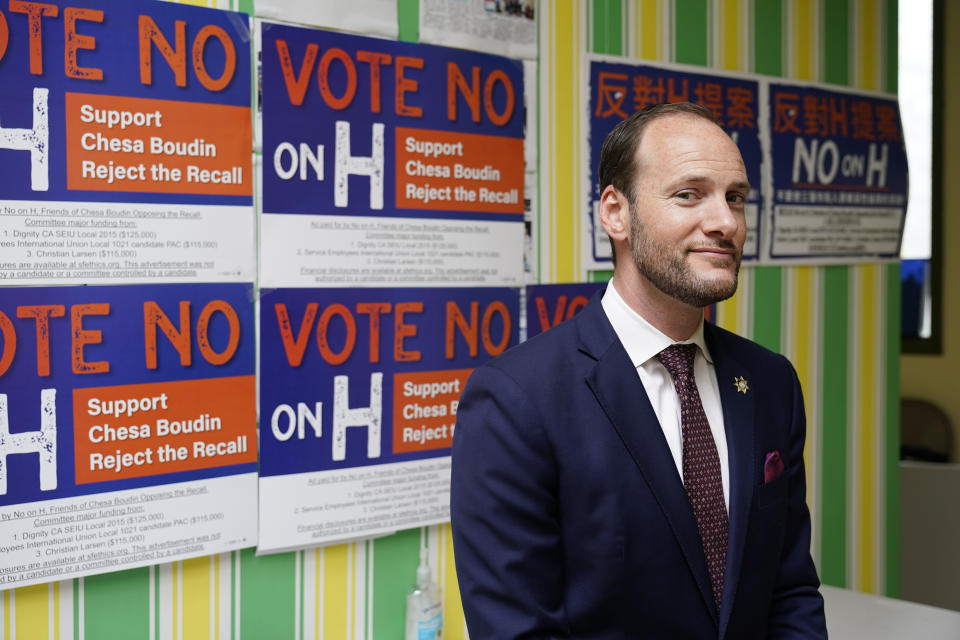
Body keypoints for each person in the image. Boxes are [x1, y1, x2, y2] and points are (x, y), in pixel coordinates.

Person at [450, 102, 827, 639]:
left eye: (735, 198)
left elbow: (789, 591)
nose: (725, 222)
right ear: (615, 213)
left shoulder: (770, 383)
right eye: (688, 194)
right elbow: (518, 629)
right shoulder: (517, 400)